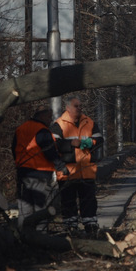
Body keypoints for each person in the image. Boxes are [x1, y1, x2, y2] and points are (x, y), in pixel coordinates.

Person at [51, 96, 104, 235]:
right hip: (68, 172)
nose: (80, 108)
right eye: (76, 106)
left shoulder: (89, 122)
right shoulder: (58, 125)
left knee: (89, 200)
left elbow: (100, 139)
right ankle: (70, 228)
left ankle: (91, 226)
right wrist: (70, 144)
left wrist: (90, 143)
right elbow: (53, 145)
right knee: (68, 202)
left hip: (87, 170)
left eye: (80, 106)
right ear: (68, 108)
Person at [11, 106, 68, 231]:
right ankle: (40, 237)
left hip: (23, 173)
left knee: (24, 208)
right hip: (40, 174)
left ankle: (23, 236)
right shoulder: (42, 130)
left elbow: (14, 149)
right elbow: (50, 151)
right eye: (49, 117)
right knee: (41, 209)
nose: (50, 120)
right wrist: (61, 167)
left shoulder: (21, 129)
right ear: (41, 116)